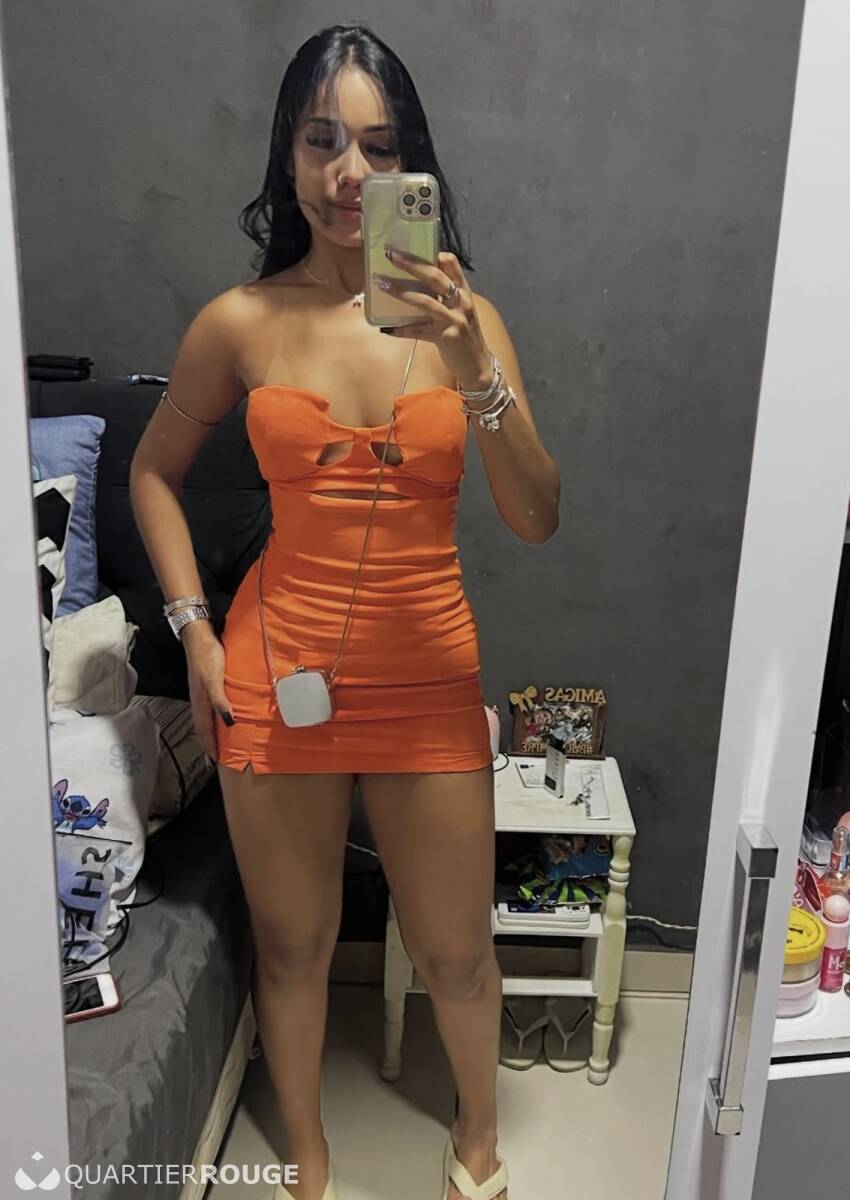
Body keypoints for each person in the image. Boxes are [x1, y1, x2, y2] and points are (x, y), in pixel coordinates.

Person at [130, 23, 560, 1200]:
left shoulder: (467, 320)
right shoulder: (240, 322)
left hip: (426, 678)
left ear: (412, 164)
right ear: (287, 152)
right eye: (322, 140)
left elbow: (537, 516)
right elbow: (152, 473)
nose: (347, 174)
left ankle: (479, 1146)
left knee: (458, 950)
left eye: (378, 146)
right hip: (276, 676)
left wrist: (474, 369)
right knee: (293, 946)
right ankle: (309, 1162)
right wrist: (195, 631)